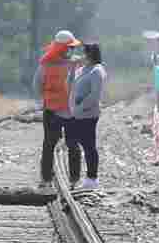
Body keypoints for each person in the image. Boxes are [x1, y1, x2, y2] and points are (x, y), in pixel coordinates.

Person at [33, 29, 79, 188]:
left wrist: (47, 98)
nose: (73, 50)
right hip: (65, 111)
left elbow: (37, 85)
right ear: (63, 48)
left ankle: (48, 179)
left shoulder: (45, 64)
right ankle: (70, 180)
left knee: (51, 144)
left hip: (56, 111)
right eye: (70, 47)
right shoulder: (74, 64)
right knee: (68, 145)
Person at [66, 41, 107, 193]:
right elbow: (69, 85)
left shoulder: (97, 71)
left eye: (84, 52)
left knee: (88, 145)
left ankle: (92, 178)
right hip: (75, 114)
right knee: (71, 143)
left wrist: (80, 108)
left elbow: (95, 95)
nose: (81, 55)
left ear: (91, 54)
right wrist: (71, 69)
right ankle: (74, 177)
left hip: (88, 114)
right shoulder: (82, 69)